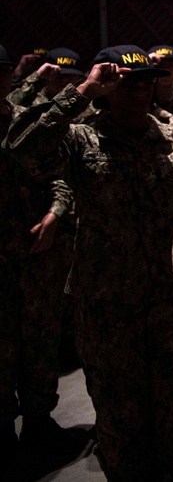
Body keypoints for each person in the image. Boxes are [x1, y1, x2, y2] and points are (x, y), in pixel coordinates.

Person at [4, 45, 173, 481]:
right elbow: (21, 148)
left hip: (170, 307)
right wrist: (82, 90)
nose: (138, 87)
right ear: (106, 86)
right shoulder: (81, 137)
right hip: (107, 310)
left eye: (145, 79)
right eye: (125, 79)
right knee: (119, 427)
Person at [0, 44, 78, 468]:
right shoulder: (23, 122)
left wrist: (56, 212)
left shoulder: (23, 119)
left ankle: (38, 421)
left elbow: (58, 176)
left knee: (40, 340)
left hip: (35, 252)